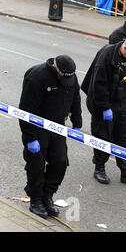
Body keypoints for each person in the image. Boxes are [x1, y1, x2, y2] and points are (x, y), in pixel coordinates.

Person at [18, 55, 82, 219]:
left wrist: (77, 123)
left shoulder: (70, 76)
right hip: (37, 127)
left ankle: (47, 195)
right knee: (36, 165)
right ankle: (36, 199)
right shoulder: (37, 77)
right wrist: (30, 138)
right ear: (55, 68)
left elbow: (75, 99)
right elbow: (25, 110)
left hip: (58, 126)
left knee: (60, 161)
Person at [81, 35, 126, 185]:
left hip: (121, 100)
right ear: (124, 47)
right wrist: (104, 108)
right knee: (103, 136)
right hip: (102, 101)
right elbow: (98, 85)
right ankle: (99, 168)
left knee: (124, 135)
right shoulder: (107, 56)